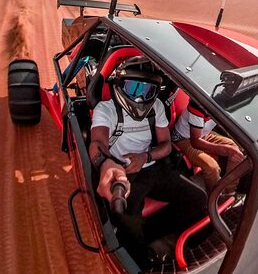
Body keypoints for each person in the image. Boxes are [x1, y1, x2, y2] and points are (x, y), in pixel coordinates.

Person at [88, 56, 207, 266]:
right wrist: (106, 163)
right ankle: (139, 255)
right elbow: (98, 142)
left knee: (199, 199)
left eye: (147, 91)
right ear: (119, 85)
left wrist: (146, 156)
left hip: (154, 167)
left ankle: (149, 234)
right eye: (134, 88)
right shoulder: (105, 109)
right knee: (124, 220)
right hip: (124, 173)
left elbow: (166, 145)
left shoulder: (157, 107)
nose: (140, 98)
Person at [171, 99, 244, 194]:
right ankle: (213, 199)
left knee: (235, 150)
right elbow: (195, 142)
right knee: (212, 168)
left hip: (203, 133)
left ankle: (229, 192)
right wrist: (224, 149)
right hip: (184, 139)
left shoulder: (224, 101)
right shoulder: (198, 105)